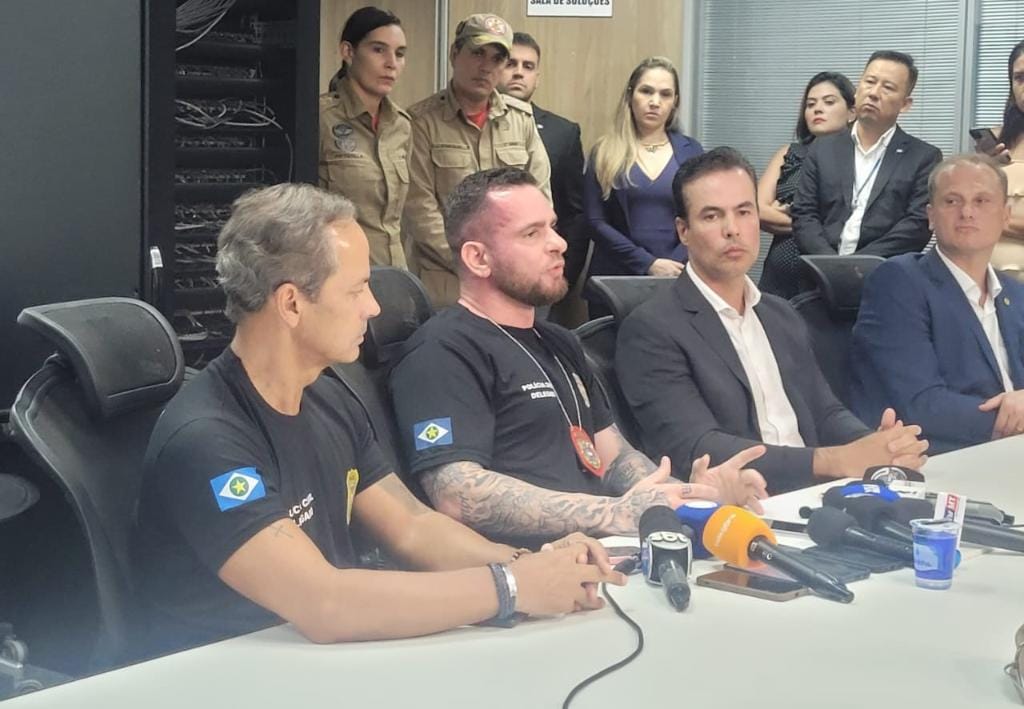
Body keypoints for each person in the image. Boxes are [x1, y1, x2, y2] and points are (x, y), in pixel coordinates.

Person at [133, 183, 621, 655]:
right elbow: (324, 603)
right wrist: (511, 587)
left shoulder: (328, 395)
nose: (374, 307)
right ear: (292, 303)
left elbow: (411, 526)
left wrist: (533, 564)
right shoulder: (207, 438)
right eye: (357, 289)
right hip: (223, 673)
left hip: (310, 659)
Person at [389, 167, 769, 549]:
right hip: (528, 567)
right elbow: (457, 494)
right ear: (478, 258)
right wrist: (613, 513)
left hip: (609, 552)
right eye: (532, 234)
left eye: (553, 227)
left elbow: (615, 459)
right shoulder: (442, 351)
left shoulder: (559, 341)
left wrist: (689, 495)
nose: (558, 243)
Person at [615, 148, 929, 493]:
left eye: (744, 212)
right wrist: (833, 460)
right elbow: (697, 447)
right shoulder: (652, 328)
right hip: (743, 503)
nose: (732, 229)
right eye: (712, 216)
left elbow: (825, 412)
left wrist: (875, 446)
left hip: (818, 493)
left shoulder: (781, 314)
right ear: (683, 230)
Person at [850, 155, 1024, 453]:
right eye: (952, 201)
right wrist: (1015, 420)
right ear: (931, 215)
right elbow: (920, 405)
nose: (967, 212)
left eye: (981, 201)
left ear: (1005, 215)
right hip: (944, 455)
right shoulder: (898, 282)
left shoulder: (1015, 294)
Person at [404, 14, 551, 308]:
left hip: (513, 281)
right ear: (454, 54)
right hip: (449, 282)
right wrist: (477, 262)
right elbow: (419, 210)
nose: (486, 67)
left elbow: (541, 199)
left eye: (497, 59)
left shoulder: (521, 120)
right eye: (477, 53)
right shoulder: (421, 122)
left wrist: (510, 261)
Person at [790, 51, 942, 268]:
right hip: (819, 273)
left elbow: (916, 225)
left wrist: (857, 266)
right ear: (858, 88)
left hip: (884, 275)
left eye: (887, 87)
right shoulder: (822, 148)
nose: (874, 93)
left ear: (905, 104)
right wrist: (829, 265)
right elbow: (804, 213)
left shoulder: (923, 157)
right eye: (869, 82)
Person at [583, 57, 703, 286]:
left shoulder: (692, 151)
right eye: (646, 91)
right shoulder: (604, 151)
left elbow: (701, 216)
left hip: (678, 275)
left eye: (665, 94)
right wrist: (648, 263)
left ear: (675, 102)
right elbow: (594, 221)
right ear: (630, 95)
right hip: (616, 278)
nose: (655, 102)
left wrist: (674, 263)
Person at [319, 7, 412, 269]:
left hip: (394, 274)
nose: (391, 63)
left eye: (399, 54)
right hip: (338, 270)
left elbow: (398, 220)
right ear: (348, 52)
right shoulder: (321, 118)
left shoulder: (402, 125)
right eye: (378, 50)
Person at [499, 32, 586, 289]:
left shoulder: (563, 132)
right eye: (510, 64)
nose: (518, 73)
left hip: (539, 271)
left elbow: (574, 214)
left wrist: (564, 274)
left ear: (537, 77)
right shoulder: (473, 125)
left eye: (528, 66)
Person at [758, 72, 856, 298]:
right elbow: (756, 210)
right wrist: (813, 222)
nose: (817, 109)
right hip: (778, 277)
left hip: (829, 275)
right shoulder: (789, 153)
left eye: (828, 102)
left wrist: (785, 215)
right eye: (811, 104)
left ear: (852, 111)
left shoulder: (859, 159)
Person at [973, 39, 1024, 278]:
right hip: (983, 279)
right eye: (1020, 78)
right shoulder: (995, 142)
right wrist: (981, 170)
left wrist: (996, 221)